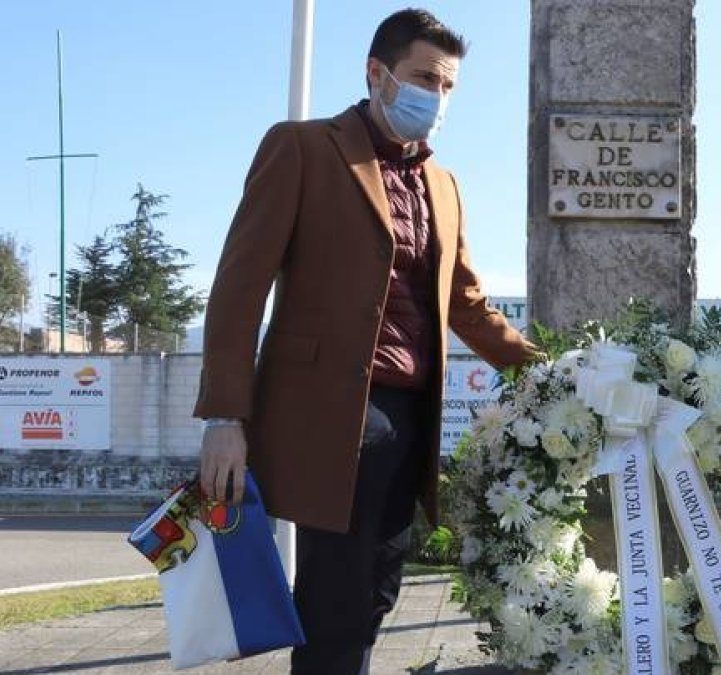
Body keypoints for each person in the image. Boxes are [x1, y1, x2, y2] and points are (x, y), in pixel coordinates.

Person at [193, 9, 539, 674]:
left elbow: (465, 303)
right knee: (335, 606)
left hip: (411, 423)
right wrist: (224, 417)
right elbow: (239, 287)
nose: (434, 97)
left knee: (377, 593)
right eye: (423, 78)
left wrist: (550, 371)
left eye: (447, 86)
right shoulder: (301, 148)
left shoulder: (444, 184)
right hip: (335, 418)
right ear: (377, 73)